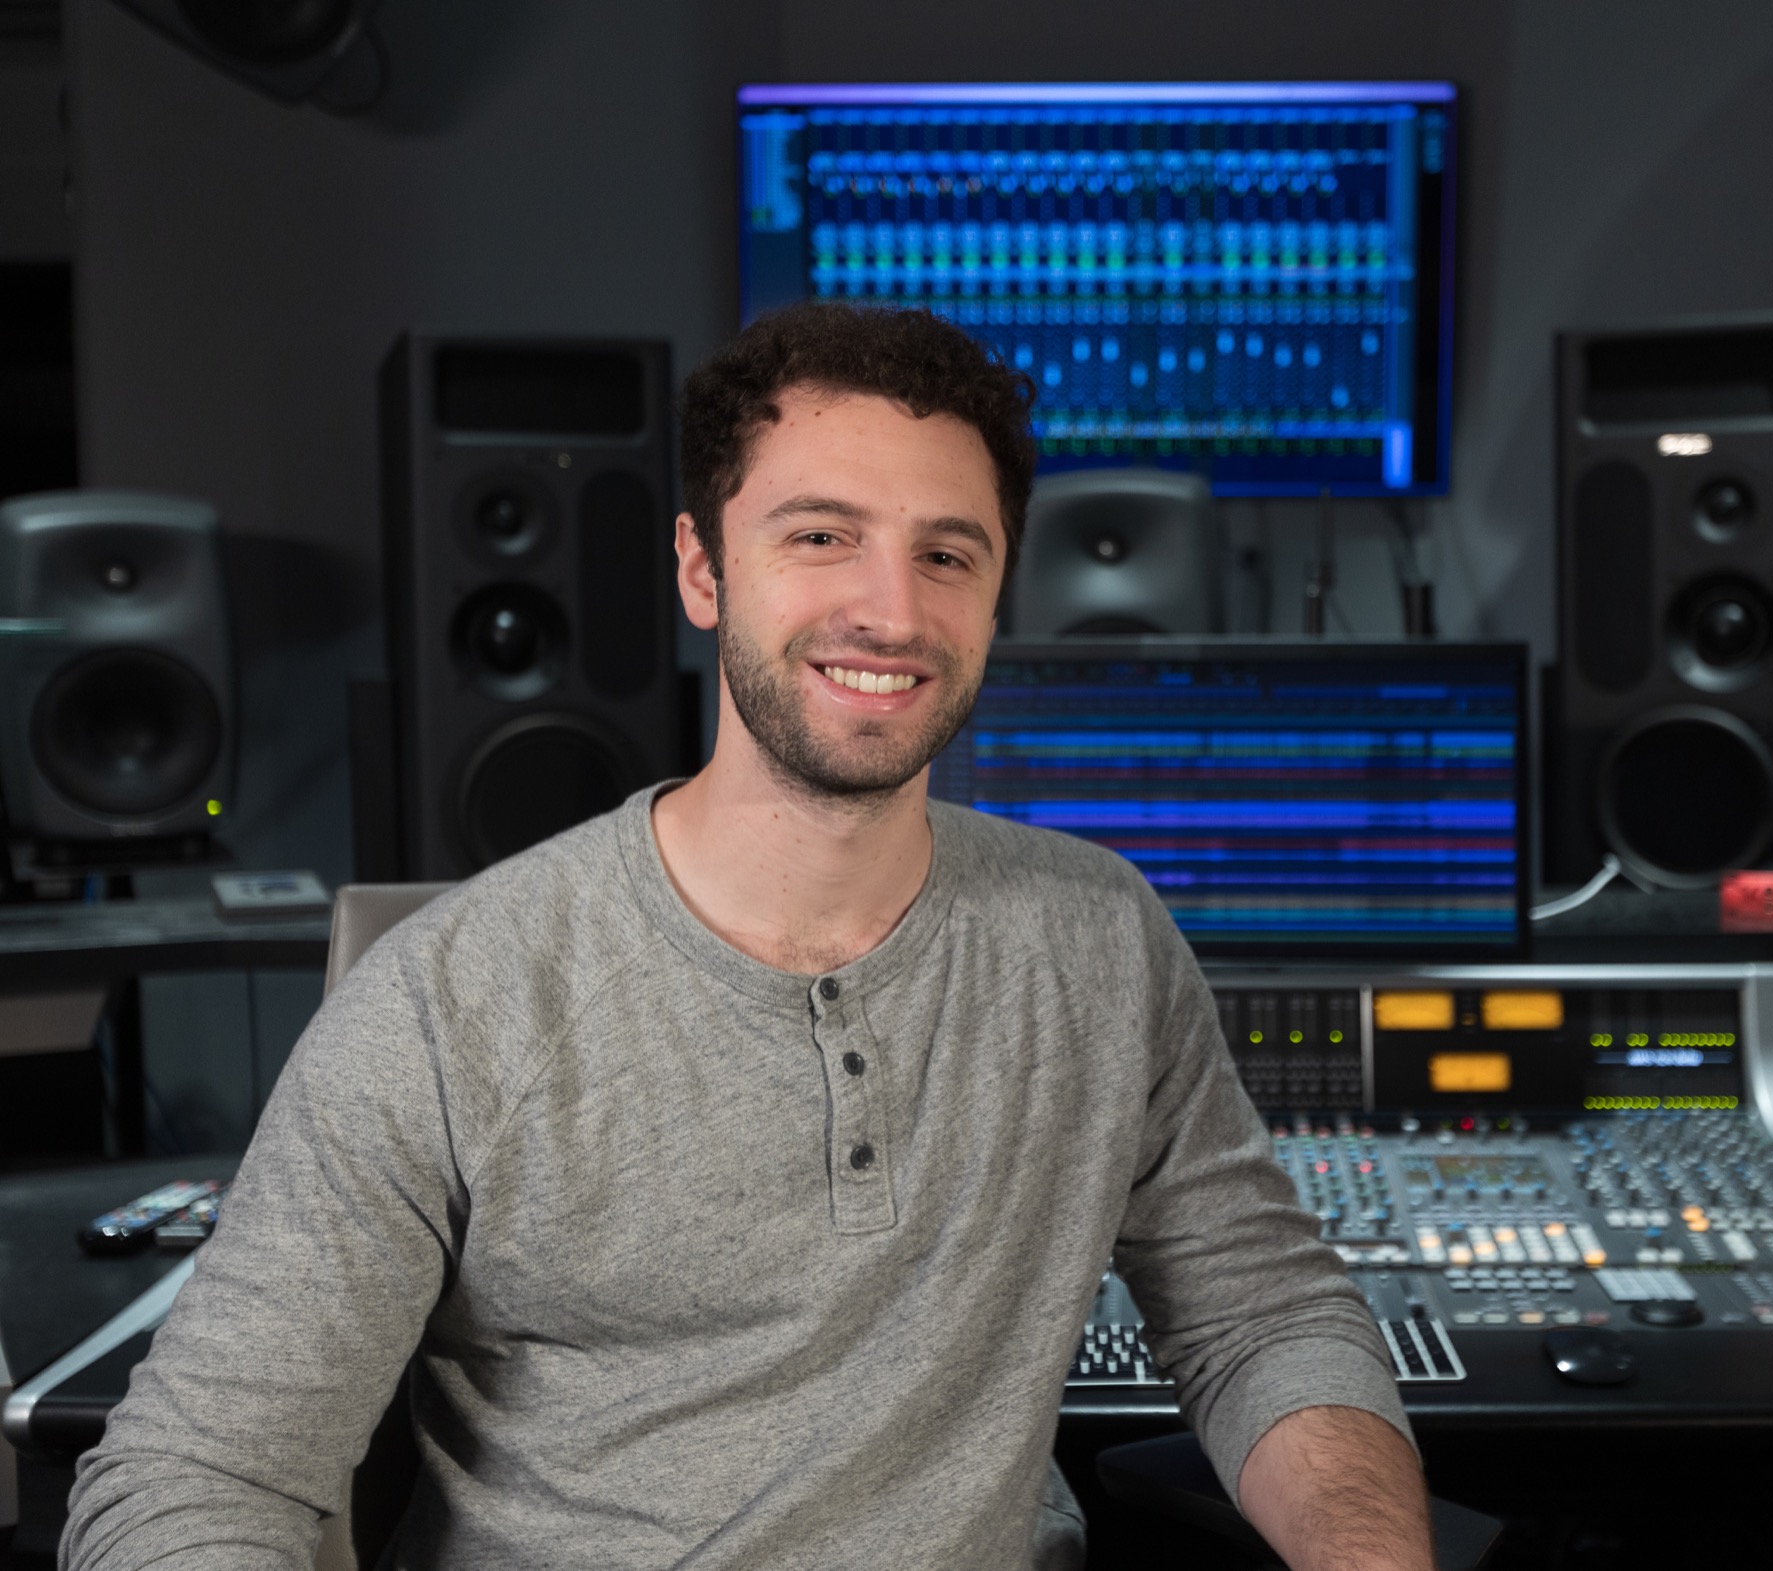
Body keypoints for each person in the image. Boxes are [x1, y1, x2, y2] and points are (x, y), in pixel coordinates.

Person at [62, 302, 1437, 1571]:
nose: (890, 611)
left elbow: (1264, 1317)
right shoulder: (449, 1000)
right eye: (820, 535)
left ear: (999, 592)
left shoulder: (1101, 939)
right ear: (702, 569)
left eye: (946, 554)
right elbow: (199, 1478)